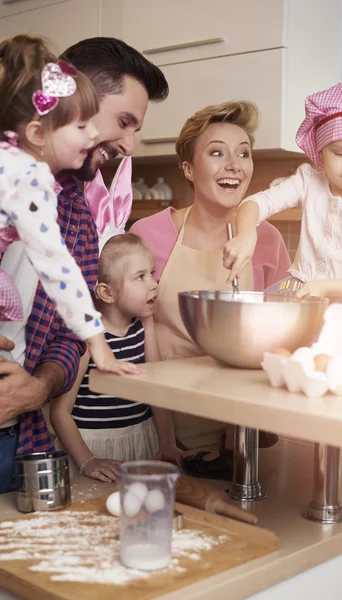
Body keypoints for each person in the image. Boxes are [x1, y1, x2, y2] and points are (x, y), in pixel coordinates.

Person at [0, 36, 169, 492]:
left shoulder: (74, 210)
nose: (128, 144)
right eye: (123, 121)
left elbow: (67, 332)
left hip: (18, 440)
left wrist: (38, 387)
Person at [130, 101, 291, 479]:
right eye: (217, 152)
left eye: (243, 154)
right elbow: (122, 331)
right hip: (159, 428)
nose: (234, 165)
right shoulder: (148, 234)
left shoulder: (266, 240)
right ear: (189, 168)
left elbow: (284, 337)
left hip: (240, 433)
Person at [0, 34, 141, 378]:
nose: (92, 136)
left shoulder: (20, 170)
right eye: (81, 125)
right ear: (36, 133)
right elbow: (56, 265)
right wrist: (99, 345)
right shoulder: (28, 177)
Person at [224, 83, 342, 306]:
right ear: (320, 151)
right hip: (301, 296)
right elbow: (255, 203)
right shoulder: (307, 182)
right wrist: (246, 235)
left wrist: (323, 287)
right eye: (339, 152)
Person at [50, 234, 182, 481]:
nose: (154, 283)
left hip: (142, 441)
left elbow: (156, 389)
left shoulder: (144, 324)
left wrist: (167, 444)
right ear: (107, 293)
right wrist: (88, 461)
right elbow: (60, 412)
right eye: (140, 277)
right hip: (91, 448)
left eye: (152, 273)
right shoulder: (88, 337)